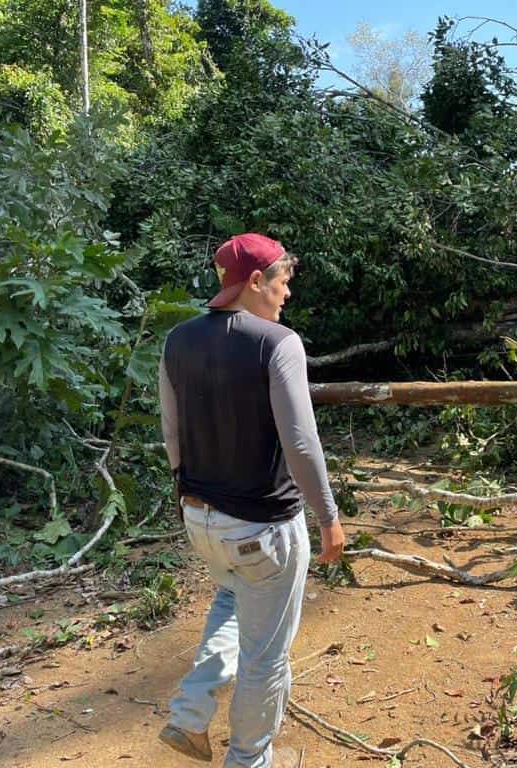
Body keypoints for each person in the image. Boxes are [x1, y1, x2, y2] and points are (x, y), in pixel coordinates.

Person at [157, 233, 345, 768]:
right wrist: (328, 516)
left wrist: (189, 496)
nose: (287, 293)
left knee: (231, 597)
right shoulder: (278, 343)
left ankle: (191, 710)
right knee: (266, 658)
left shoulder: (178, 340)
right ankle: (249, 759)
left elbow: (172, 433)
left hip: (202, 519)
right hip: (264, 528)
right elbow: (301, 442)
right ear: (256, 281)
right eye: (283, 281)